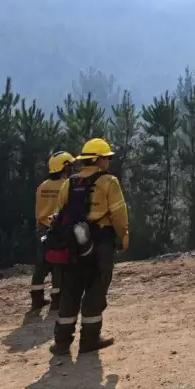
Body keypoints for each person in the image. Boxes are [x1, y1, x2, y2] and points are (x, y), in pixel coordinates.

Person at [50, 137, 129, 356]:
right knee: (96, 289)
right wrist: (124, 236)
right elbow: (119, 214)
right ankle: (89, 340)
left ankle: (62, 343)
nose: (109, 162)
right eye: (107, 158)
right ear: (98, 160)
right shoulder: (109, 182)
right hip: (101, 240)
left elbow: (60, 212)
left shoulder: (70, 182)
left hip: (73, 243)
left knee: (70, 290)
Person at [29, 150, 75, 313]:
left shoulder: (42, 186)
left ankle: (36, 299)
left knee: (41, 265)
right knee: (59, 266)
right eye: (70, 166)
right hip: (58, 230)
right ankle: (57, 300)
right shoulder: (66, 185)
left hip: (42, 228)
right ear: (64, 167)